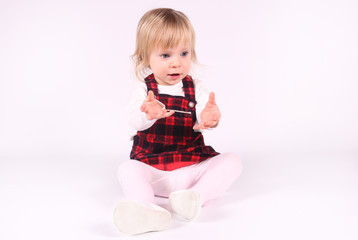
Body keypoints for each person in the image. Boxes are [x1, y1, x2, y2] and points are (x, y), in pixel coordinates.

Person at [113, 8, 242, 235]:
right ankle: (144, 209)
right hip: (154, 171)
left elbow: (203, 113)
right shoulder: (144, 88)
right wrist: (147, 114)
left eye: (184, 53)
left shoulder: (195, 87)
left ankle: (194, 198)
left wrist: (209, 117)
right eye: (165, 55)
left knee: (232, 161)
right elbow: (133, 119)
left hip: (191, 169)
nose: (177, 63)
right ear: (145, 57)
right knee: (128, 169)